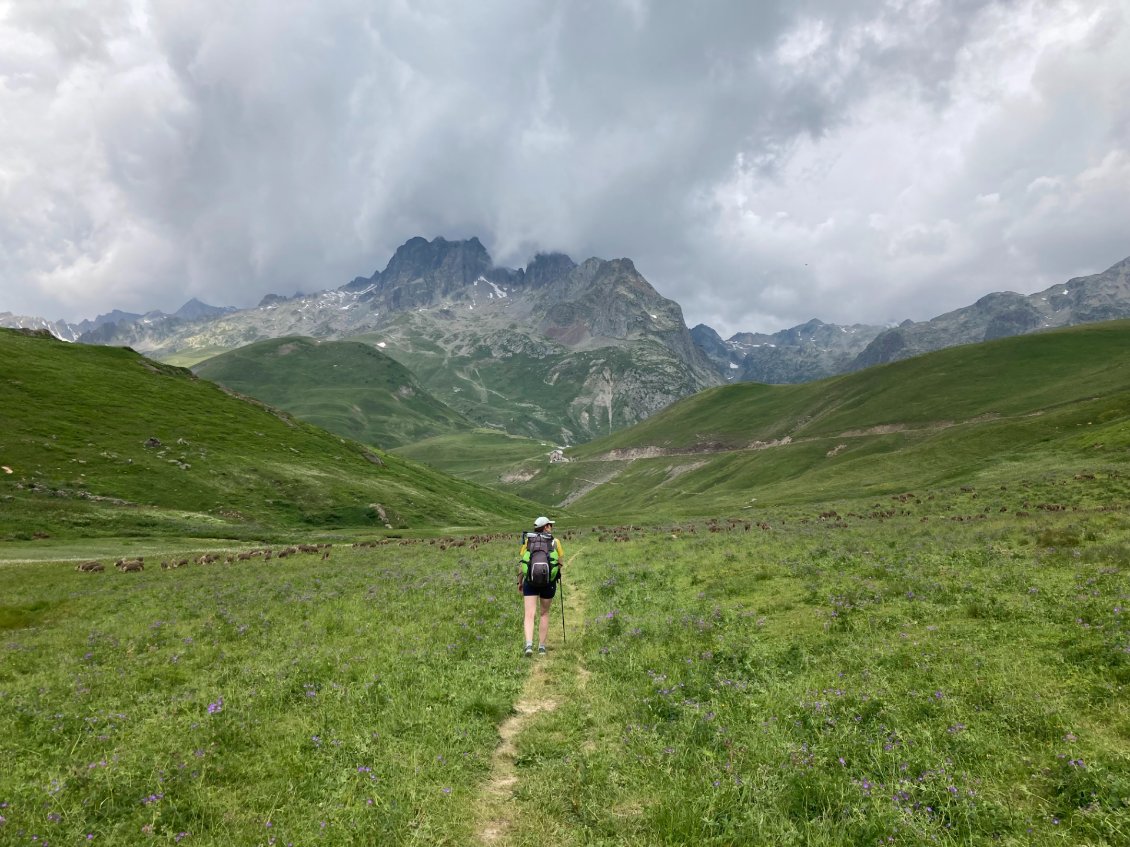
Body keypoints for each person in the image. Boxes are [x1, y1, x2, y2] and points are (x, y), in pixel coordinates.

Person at [517, 516, 565, 657]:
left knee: (529, 614)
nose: (551, 527)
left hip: (530, 582)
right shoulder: (555, 542)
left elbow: (523, 563)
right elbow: (560, 563)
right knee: (544, 613)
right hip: (548, 582)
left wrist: (520, 582)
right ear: (545, 527)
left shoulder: (528, 541)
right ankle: (542, 647)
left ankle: (528, 645)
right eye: (550, 525)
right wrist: (553, 574)